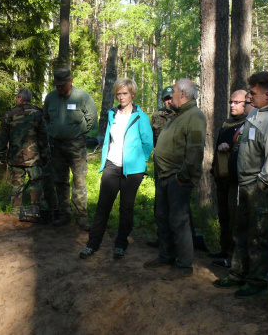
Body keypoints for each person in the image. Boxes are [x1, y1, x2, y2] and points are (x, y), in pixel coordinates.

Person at [213, 71, 268, 299]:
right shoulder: (257, 115)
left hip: (261, 188)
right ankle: (238, 274)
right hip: (245, 184)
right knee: (241, 231)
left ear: (267, 94)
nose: (249, 98)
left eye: (253, 94)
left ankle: (258, 281)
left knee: (259, 235)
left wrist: (261, 185)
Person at [79, 78, 153, 259]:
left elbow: (148, 143)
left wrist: (139, 162)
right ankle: (92, 244)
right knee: (103, 207)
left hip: (133, 171)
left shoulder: (141, 117)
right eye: (118, 93)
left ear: (132, 95)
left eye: (125, 93)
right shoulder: (112, 113)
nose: (121, 97)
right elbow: (109, 140)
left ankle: (121, 244)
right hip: (111, 165)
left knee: (126, 209)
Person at [143, 79, 206, 281]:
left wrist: (182, 176)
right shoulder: (178, 115)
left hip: (176, 177)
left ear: (183, 94)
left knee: (179, 221)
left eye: (175, 93)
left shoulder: (194, 116)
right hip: (164, 175)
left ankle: (184, 264)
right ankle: (166, 256)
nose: (171, 98)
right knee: (162, 216)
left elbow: (195, 150)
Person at [43, 68, 98, 230]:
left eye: (62, 84)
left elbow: (92, 118)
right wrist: (54, 131)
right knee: (60, 181)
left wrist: (78, 132)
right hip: (57, 145)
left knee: (79, 181)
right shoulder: (51, 98)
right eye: (57, 85)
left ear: (70, 81)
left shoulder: (82, 97)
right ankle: (64, 214)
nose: (59, 88)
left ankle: (81, 217)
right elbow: (46, 117)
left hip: (76, 145)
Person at [208, 89, 248, 268]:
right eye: (231, 102)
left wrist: (229, 147)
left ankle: (233, 256)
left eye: (237, 102)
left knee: (234, 218)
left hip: (235, 179)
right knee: (223, 215)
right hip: (221, 176)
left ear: (246, 103)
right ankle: (224, 249)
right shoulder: (226, 123)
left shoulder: (247, 124)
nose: (232, 105)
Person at [0, 88, 50, 218]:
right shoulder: (38, 114)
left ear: (20, 98)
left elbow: (2, 137)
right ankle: (36, 211)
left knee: (16, 185)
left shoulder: (10, 114)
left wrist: (1, 155)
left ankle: (15, 212)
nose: (16, 100)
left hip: (15, 157)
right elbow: (44, 137)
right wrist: (45, 155)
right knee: (36, 184)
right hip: (34, 157)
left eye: (17, 98)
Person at [146, 85, 174, 248]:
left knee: (175, 203)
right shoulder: (157, 116)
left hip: (176, 165)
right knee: (160, 201)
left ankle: (176, 240)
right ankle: (162, 238)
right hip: (160, 164)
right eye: (166, 99)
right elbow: (151, 138)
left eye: (171, 98)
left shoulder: (181, 115)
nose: (168, 101)